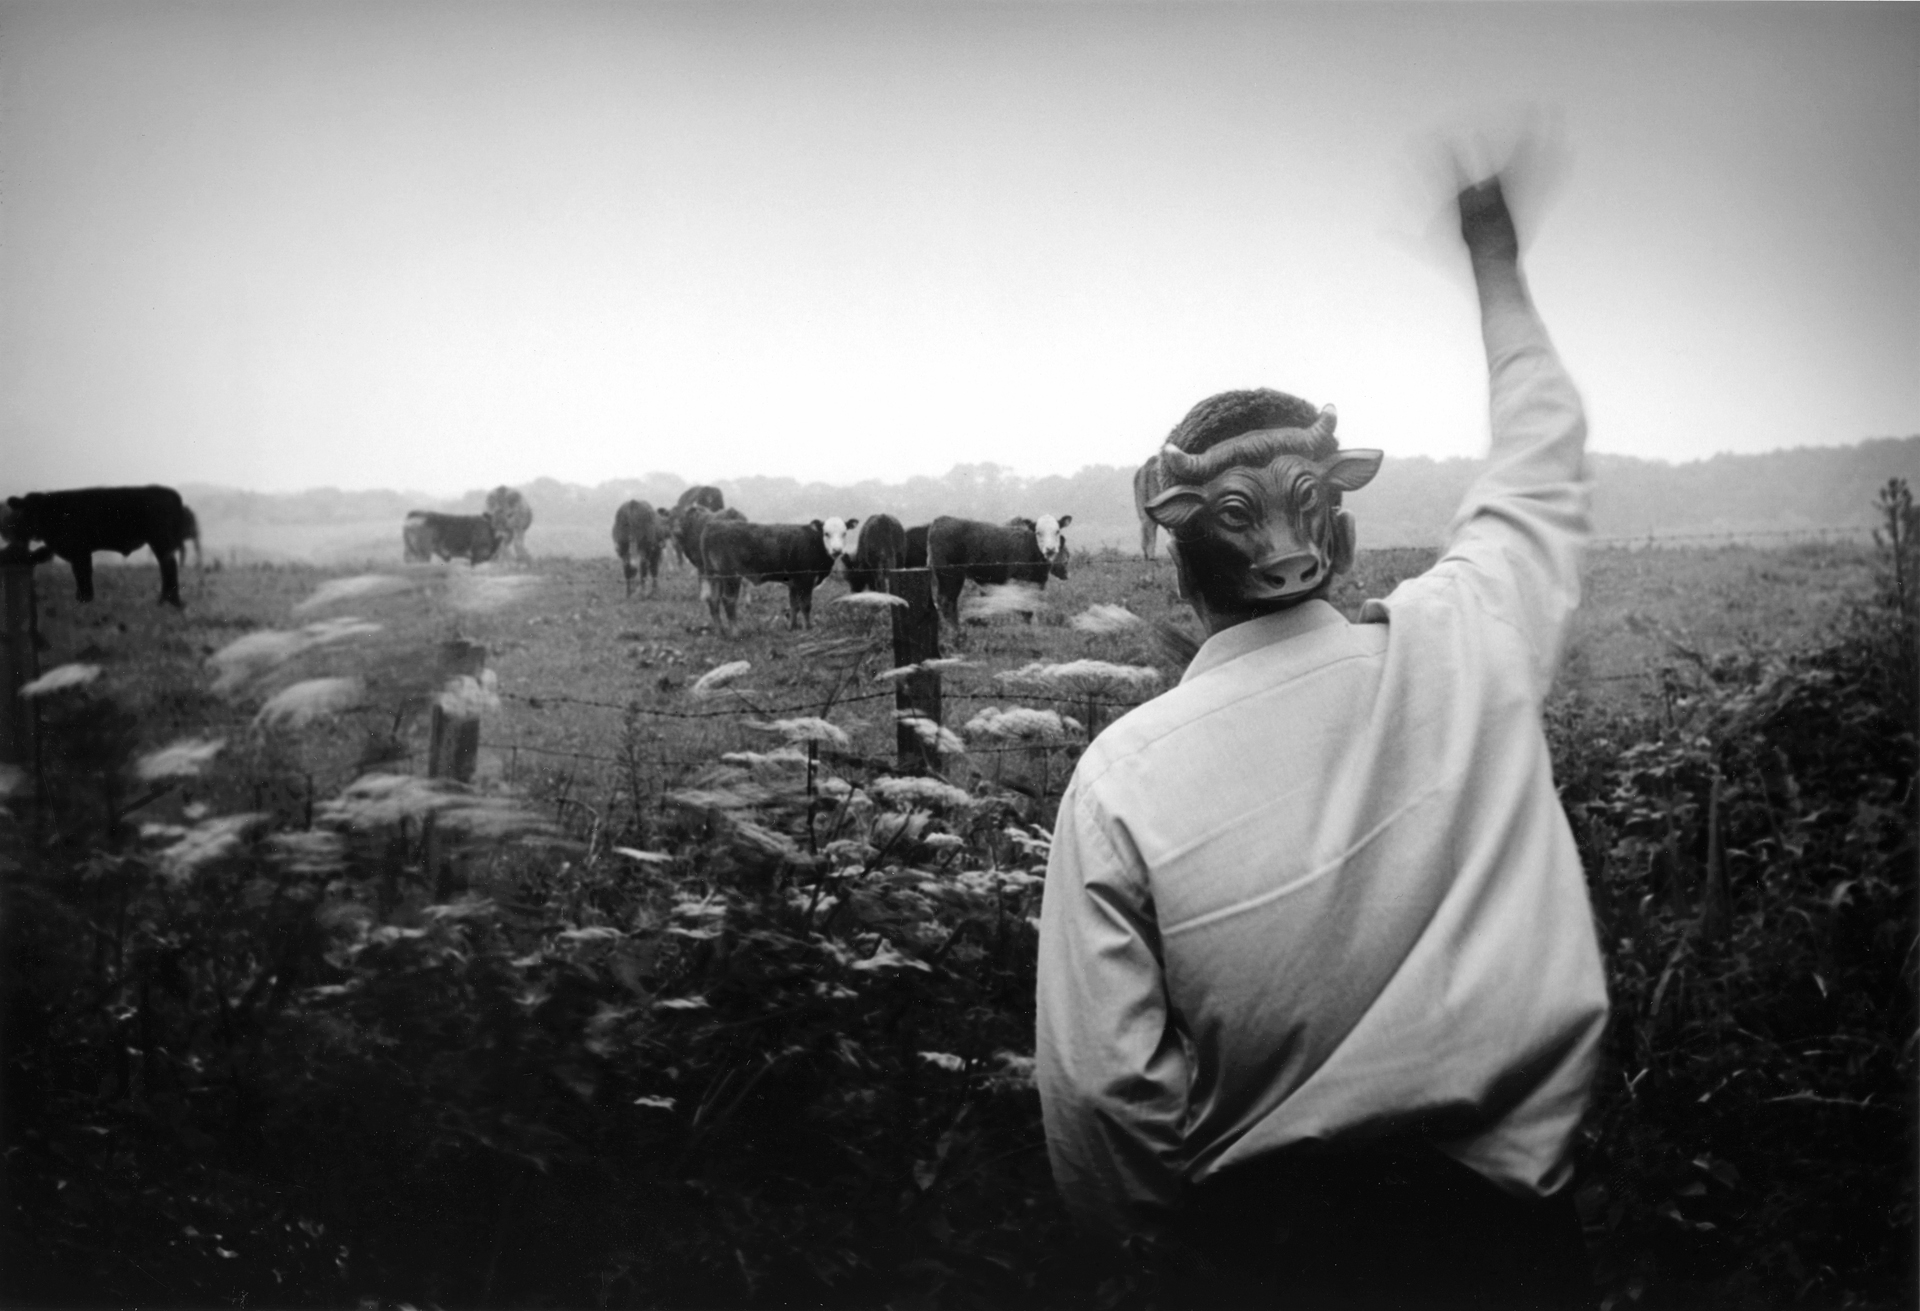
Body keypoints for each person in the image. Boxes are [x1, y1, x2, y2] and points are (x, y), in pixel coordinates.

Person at [1034, 166, 1609, 1309]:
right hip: (1510, 1243)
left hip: (1259, 1258)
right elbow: (1542, 446)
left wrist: (1172, 1251)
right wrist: (1493, 260)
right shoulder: (1471, 638)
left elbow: (1102, 1101)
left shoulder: (1120, 780)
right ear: (1337, 531)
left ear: (1175, 560)